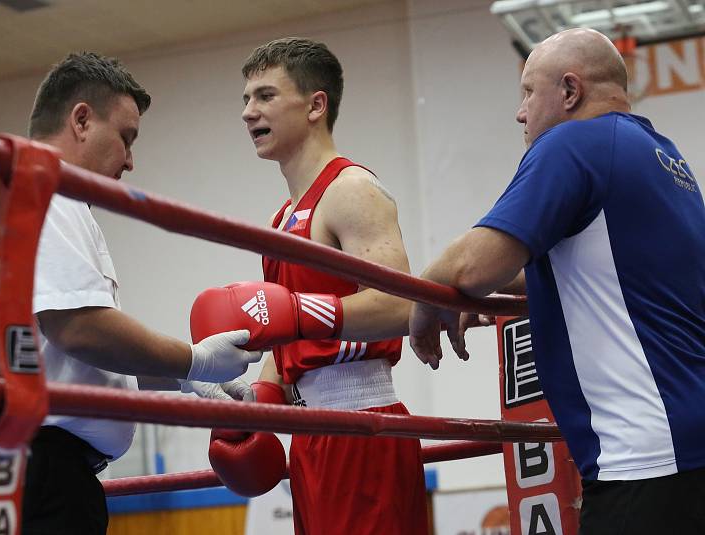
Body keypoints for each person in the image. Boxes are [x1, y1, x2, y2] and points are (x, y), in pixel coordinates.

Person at [0, 52, 262, 535]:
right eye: (125, 138)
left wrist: (185, 378)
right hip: (21, 465)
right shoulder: (46, 188)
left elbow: (74, 360)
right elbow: (80, 328)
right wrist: (193, 360)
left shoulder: (36, 194)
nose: (130, 160)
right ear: (81, 120)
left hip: (21, 463)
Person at [409, 28, 705, 534]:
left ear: (570, 91)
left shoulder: (574, 142)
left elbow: (474, 266)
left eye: (527, 91)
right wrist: (515, 290)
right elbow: (608, 270)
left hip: (646, 456)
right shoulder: (661, 154)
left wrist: (425, 295)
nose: (520, 113)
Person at [192, 38, 429, 535]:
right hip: (313, 437)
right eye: (245, 99)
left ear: (316, 105)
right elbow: (286, 336)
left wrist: (301, 314)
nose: (247, 112)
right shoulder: (280, 220)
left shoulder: (352, 190)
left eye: (264, 96)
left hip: (363, 425)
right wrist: (258, 401)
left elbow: (401, 304)